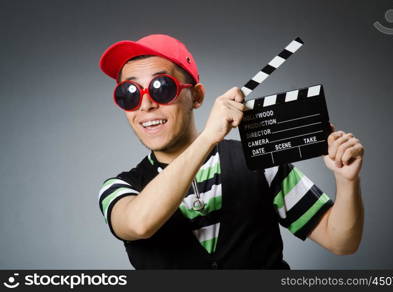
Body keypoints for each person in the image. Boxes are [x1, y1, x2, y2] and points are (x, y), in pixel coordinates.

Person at [97, 34, 365, 269]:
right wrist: (208, 139)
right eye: (129, 93)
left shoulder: (260, 163)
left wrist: (347, 180)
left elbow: (341, 241)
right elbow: (139, 223)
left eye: (162, 88)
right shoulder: (119, 188)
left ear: (197, 96)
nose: (145, 105)